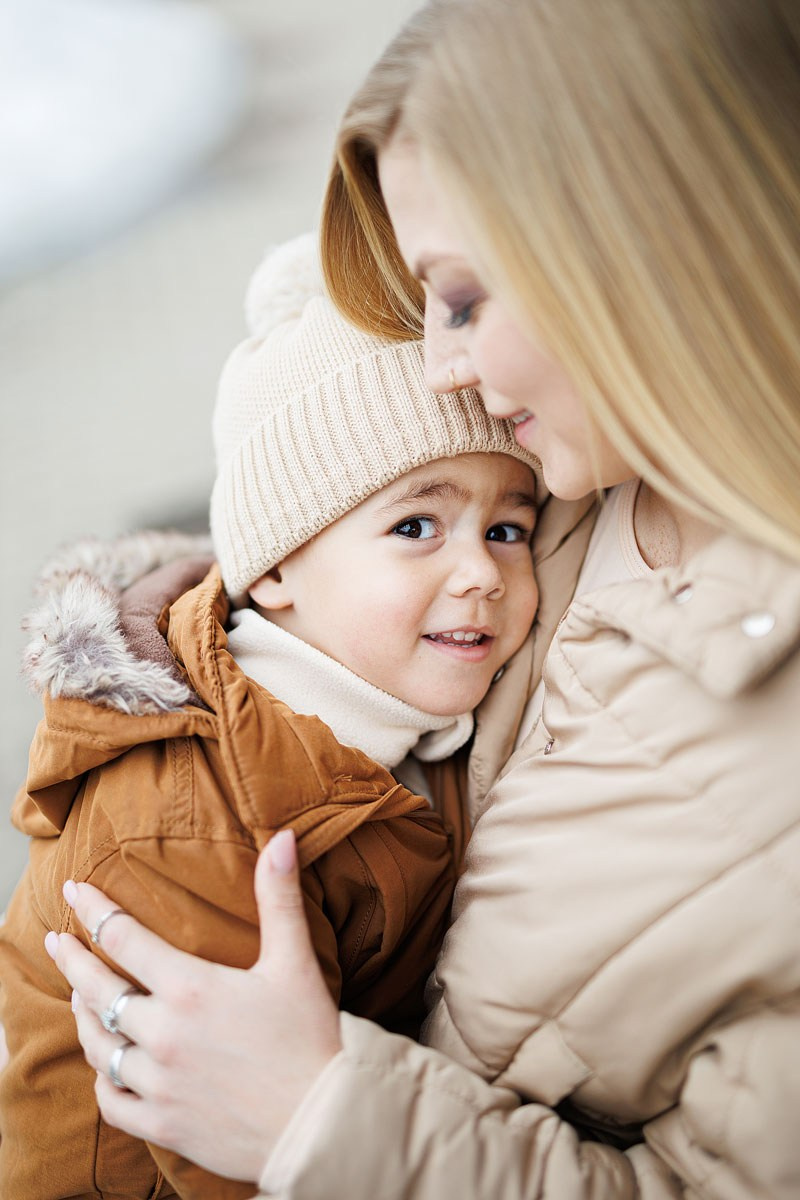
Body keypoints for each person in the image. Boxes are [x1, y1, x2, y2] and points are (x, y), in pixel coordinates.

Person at [46, 0, 800, 1196]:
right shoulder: (574, 463)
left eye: (460, 299)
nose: (440, 368)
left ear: (637, 250)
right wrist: (210, 643)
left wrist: (317, 1120)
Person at [0, 231, 540, 1199]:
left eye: (507, 528)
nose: (482, 573)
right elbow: (234, 1134)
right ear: (278, 567)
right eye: (416, 525)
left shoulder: (406, 719)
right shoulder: (192, 823)